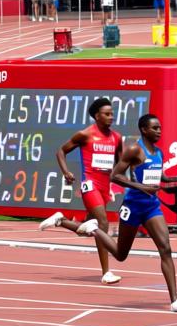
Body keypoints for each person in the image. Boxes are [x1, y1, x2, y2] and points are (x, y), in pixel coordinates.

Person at [40, 114, 177, 312]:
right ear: (144, 129)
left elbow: (160, 176)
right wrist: (139, 187)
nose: (159, 131)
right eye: (155, 128)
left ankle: (174, 301)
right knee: (121, 255)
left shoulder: (159, 152)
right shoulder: (134, 150)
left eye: (160, 128)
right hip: (133, 207)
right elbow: (115, 175)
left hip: (151, 207)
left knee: (165, 248)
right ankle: (94, 230)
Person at [53, 97, 124, 284]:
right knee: (102, 223)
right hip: (89, 185)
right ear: (96, 116)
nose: (111, 117)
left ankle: (61, 221)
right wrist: (66, 171)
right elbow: (61, 151)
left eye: (112, 114)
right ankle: (107, 272)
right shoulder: (85, 134)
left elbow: (121, 164)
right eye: (107, 114)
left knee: (90, 229)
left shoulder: (117, 138)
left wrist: (127, 181)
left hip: (105, 187)